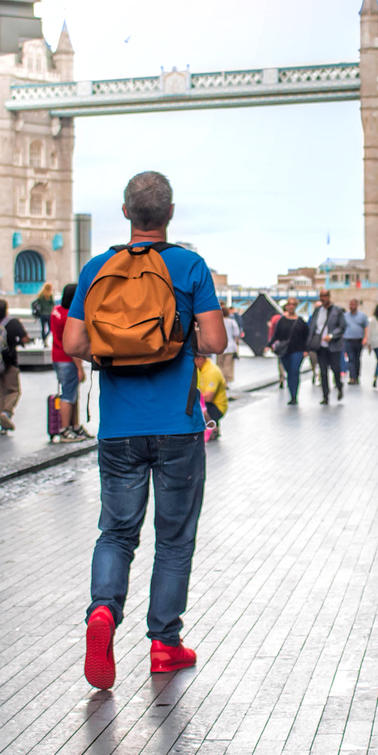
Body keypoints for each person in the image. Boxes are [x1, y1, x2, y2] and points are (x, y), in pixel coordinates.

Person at [59, 170, 228, 690]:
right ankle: (164, 644)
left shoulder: (97, 268)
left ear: (125, 212)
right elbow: (216, 341)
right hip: (177, 426)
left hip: (119, 429)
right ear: (169, 213)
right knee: (174, 539)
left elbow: (73, 343)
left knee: (116, 533)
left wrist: (117, 349)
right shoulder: (189, 265)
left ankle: (103, 611)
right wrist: (172, 341)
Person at [49, 297, 86, 440]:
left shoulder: (56, 311)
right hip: (67, 359)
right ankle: (64, 429)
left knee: (71, 392)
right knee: (68, 396)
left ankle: (75, 426)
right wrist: (80, 368)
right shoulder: (69, 317)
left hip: (57, 356)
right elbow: (73, 344)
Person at [0, 298, 28, 432]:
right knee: (14, 390)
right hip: (10, 361)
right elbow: (25, 338)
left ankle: (3, 424)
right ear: (6, 309)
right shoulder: (13, 322)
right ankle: (6, 413)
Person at [308, 290, 347, 404]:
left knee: (335, 369)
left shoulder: (337, 310)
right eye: (321, 296)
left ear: (329, 297)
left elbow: (342, 327)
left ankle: (339, 386)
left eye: (325, 296)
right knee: (323, 371)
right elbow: (312, 327)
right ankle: (325, 395)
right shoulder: (317, 311)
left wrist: (332, 335)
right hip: (320, 346)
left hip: (334, 345)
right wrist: (310, 342)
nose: (323, 298)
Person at [269, 306, 309, 404]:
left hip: (298, 350)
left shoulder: (300, 321)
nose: (291, 307)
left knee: (294, 371)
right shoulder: (282, 321)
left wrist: (306, 349)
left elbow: (306, 335)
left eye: (293, 304)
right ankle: (292, 392)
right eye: (289, 304)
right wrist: (270, 345)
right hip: (285, 350)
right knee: (289, 372)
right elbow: (276, 334)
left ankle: (294, 396)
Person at [196, 353, 229, 439]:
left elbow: (208, 397)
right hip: (209, 404)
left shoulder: (211, 371)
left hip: (216, 407)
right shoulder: (200, 369)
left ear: (200, 359)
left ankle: (211, 429)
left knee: (197, 407)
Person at [341, 298, 370, 383]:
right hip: (348, 340)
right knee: (351, 359)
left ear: (357, 305)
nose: (351, 306)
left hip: (358, 340)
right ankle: (352, 377)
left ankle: (357, 376)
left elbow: (366, 327)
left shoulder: (362, 316)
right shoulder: (345, 316)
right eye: (350, 304)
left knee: (357, 359)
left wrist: (365, 338)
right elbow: (342, 327)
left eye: (353, 304)